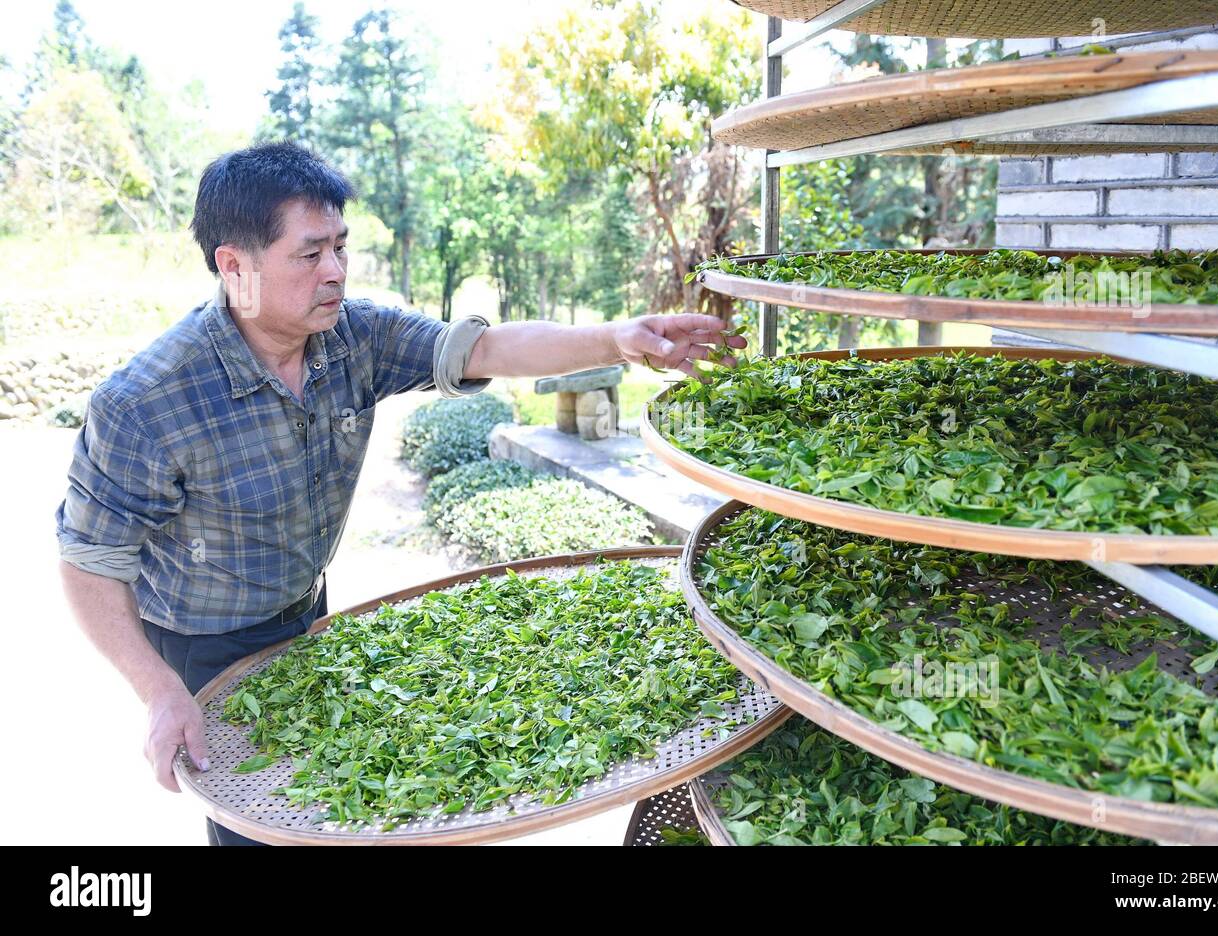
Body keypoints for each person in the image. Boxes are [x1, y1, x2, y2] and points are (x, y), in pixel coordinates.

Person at [55, 141, 746, 845]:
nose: (336, 273)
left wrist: (622, 339)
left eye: (342, 248)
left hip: (306, 609)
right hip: (203, 639)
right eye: (310, 254)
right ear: (235, 266)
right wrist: (158, 690)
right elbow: (87, 561)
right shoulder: (147, 400)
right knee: (262, 824)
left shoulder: (353, 337)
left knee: (334, 800)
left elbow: (486, 349)